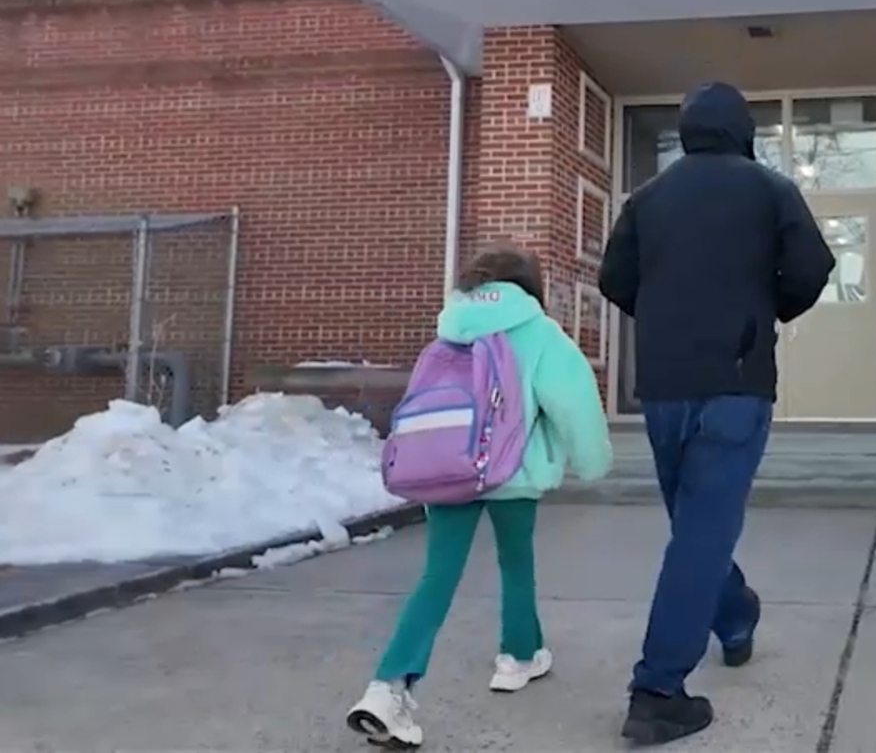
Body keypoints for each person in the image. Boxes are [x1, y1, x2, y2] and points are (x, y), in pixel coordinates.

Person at [599, 81, 836, 746]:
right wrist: (765, 310)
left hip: (665, 386)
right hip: (736, 382)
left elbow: (614, 279)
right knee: (701, 532)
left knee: (694, 527)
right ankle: (657, 691)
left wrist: (667, 318)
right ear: (743, 131)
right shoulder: (770, 190)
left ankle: (733, 616)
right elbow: (812, 268)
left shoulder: (646, 199)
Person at [346, 247, 613, 750]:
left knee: (437, 576)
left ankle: (388, 686)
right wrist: (593, 463)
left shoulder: (451, 326)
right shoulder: (538, 332)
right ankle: (516, 659)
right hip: (513, 471)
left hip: (449, 468)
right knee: (516, 561)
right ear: (529, 286)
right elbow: (574, 402)